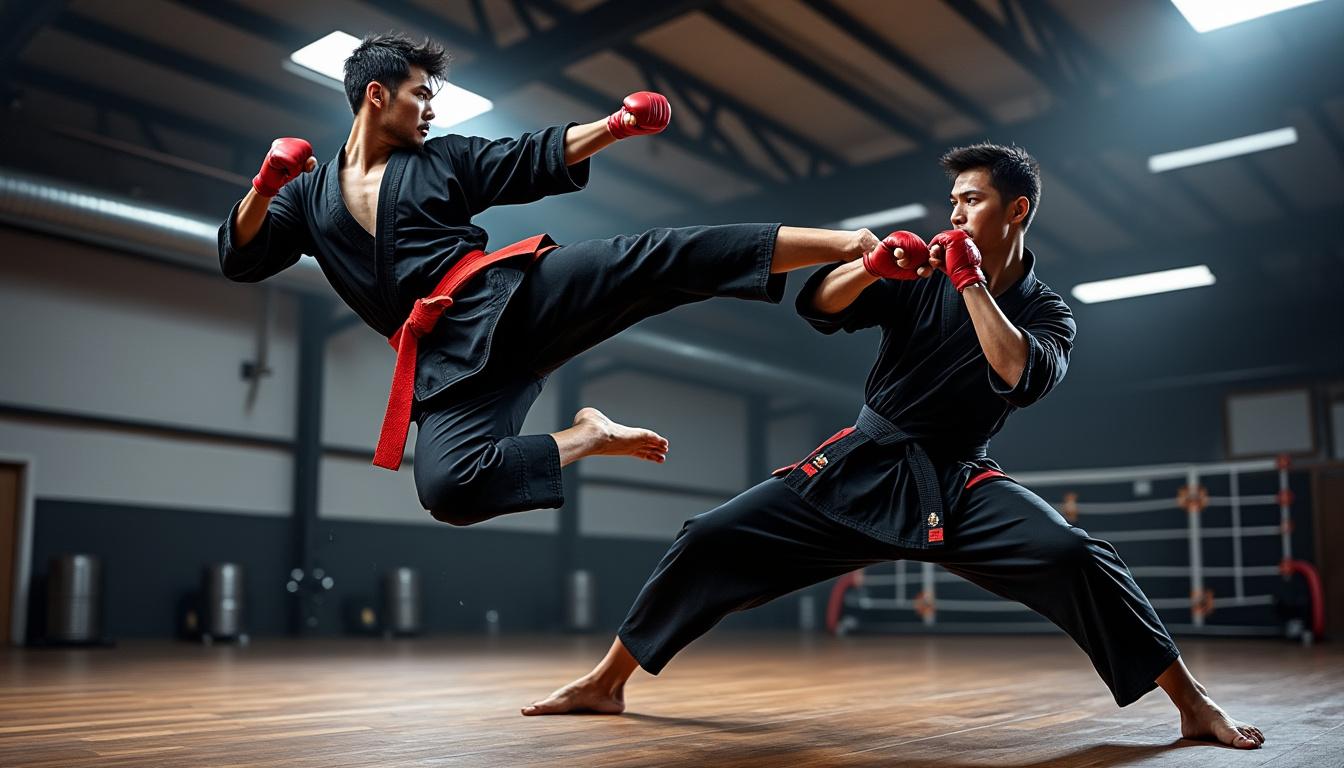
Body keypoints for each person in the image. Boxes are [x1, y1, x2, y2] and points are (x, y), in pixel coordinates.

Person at [521, 143, 1265, 751]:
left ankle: (1192, 704)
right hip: (861, 462)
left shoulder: (1048, 313)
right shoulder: (923, 273)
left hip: (955, 481)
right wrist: (869, 266)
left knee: (1075, 556)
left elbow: (1017, 374)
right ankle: (607, 681)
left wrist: (973, 288)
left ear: (1017, 210)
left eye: (971, 200)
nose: (956, 213)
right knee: (709, 537)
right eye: (953, 203)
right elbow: (819, 304)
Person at [217, 32, 878, 526]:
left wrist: (614, 127)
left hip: (506, 302)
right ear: (376, 95)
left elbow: (525, 156)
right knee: (448, 490)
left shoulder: (443, 160)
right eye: (422, 95)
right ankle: (587, 435)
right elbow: (241, 255)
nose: (431, 111)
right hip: (446, 369)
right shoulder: (307, 199)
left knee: (656, 258)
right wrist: (265, 185)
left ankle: (845, 243)